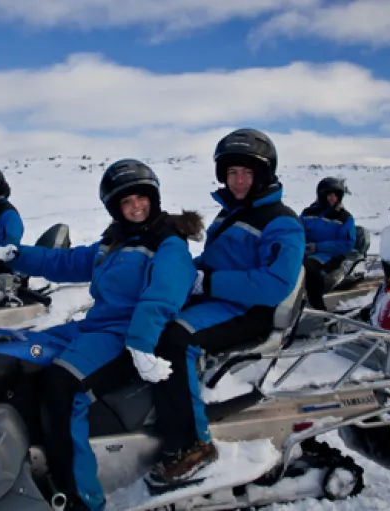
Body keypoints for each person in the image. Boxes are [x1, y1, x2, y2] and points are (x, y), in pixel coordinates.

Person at [0, 159, 203, 511]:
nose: (135, 207)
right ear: (116, 208)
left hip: (125, 335)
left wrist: (142, 345)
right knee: (20, 354)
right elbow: (64, 262)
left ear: (153, 198)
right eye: (126, 202)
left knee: (63, 385)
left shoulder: (168, 244)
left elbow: (163, 295)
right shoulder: (113, 243)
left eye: (140, 198)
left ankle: (81, 497)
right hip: (93, 326)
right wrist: (15, 255)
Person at [145, 128, 306, 489]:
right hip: (217, 300)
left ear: (263, 175)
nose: (238, 181)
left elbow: (274, 284)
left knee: (175, 339)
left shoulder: (281, 222)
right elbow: (213, 260)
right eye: (232, 172)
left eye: (247, 173)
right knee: (150, 317)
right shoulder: (230, 214)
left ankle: (194, 446)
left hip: (250, 310)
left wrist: (210, 282)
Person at [299, 177, 357, 310]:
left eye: (336, 195)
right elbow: (297, 230)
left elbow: (346, 243)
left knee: (310, 267)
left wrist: (317, 247)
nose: (333, 198)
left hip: (329, 255)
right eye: (329, 194)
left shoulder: (344, 217)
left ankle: (318, 308)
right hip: (305, 251)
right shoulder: (308, 213)